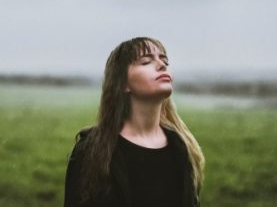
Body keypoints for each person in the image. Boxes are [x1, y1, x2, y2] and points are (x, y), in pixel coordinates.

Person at [64, 37, 205, 207]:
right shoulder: (91, 150)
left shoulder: (181, 147)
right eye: (146, 62)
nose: (161, 65)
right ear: (123, 83)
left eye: (164, 60)